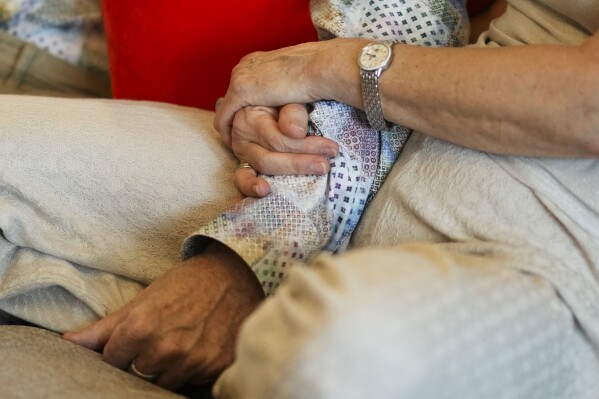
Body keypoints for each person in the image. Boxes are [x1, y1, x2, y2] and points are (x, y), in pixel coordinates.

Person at [0, 1, 597, 399]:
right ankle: (202, 329)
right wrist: (283, 111)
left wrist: (333, 67)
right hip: (389, 147)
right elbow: (414, 21)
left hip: (550, 247)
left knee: (339, 347)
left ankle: (255, 330)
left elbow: (586, 102)